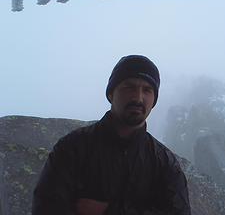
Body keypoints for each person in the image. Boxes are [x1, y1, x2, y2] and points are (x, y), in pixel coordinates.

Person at [32, 55, 191, 215]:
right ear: (110, 94)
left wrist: (109, 211)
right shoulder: (72, 148)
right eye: (129, 87)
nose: (138, 97)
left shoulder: (164, 163)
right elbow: (46, 206)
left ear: (154, 100)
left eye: (147, 90)